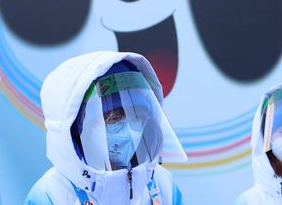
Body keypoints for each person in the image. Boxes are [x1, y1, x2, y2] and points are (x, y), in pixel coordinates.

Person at [25, 51, 186, 204]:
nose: (130, 132)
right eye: (114, 119)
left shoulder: (162, 187)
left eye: (137, 117)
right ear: (77, 129)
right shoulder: (51, 196)